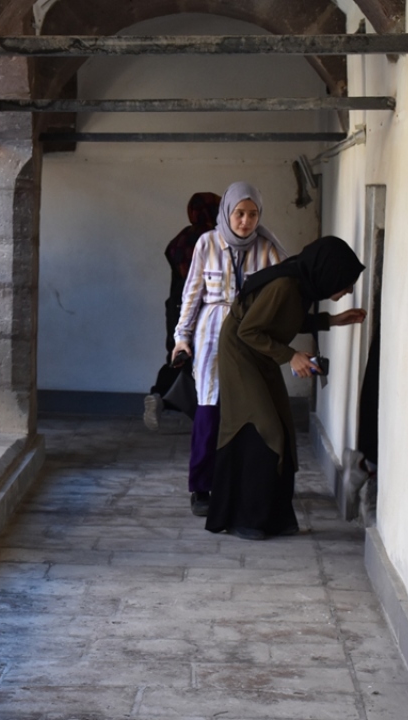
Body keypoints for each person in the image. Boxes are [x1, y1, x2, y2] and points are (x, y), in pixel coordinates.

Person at [206, 236, 366, 540]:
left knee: (283, 427)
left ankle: (274, 517)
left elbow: (285, 319)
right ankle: (245, 518)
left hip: (262, 352)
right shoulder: (286, 285)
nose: (348, 291)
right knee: (263, 428)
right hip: (241, 353)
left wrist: (332, 320)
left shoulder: (302, 285)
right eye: (345, 283)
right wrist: (291, 356)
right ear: (329, 273)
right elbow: (248, 330)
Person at [171, 182, 288, 517]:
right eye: (239, 213)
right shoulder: (207, 243)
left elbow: (283, 289)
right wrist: (182, 337)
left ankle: (244, 483)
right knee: (210, 408)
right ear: (228, 212)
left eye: (252, 214)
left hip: (250, 334)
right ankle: (202, 486)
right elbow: (191, 294)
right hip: (211, 335)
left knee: (251, 410)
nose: (245, 221)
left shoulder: (266, 248)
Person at [144, 192, 221, 430]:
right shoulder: (215, 240)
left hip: (176, 305)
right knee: (208, 359)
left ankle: (158, 395)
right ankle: (204, 418)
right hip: (205, 307)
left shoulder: (179, 240)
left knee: (178, 357)